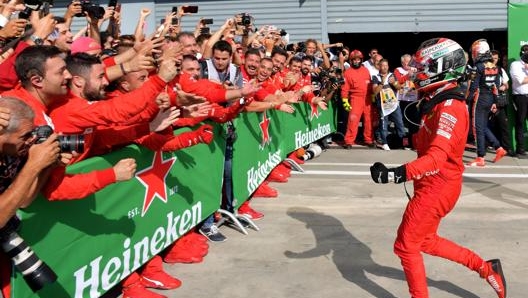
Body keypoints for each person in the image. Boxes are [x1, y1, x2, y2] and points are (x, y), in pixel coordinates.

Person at [369, 38, 506, 298]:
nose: (418, 71)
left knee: (406, 245)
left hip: (438, 185)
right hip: (432, 183)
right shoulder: (436, 97)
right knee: (426, 241)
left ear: (441, 68)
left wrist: (394, 174)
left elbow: (435, 159)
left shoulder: (450, 107)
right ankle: (485, 268)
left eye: (424, 67)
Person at [0, 97, 66, 298]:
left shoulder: (12, 151)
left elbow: (23, 200)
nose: (30, 141)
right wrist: (33, 165)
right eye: (25, 135)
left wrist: (47, 165)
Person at [466, 39, 506, 166]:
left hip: (479, 98)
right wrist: (495, 101)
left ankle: (480, 157)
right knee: (482, 127)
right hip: (489, 98)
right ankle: (498, 148)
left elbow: (473, 87)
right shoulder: (494, 67)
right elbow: (496, 85)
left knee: (477, 128)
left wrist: (466, 100)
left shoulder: (477, 67)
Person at [340, 49, 374, 148]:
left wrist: (372, 96)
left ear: (361, 60)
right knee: (353, 120)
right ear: (351, 60)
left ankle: (368, 140)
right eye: (354, 59)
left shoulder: (365, 70)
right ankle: (349, 141)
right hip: (356, 99)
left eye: (358, 59)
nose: (356, 61)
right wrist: (345, 100)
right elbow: (344, 88)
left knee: (368, 121)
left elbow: (371, 84)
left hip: (367, 99)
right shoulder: (348, 73)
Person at [371, 58, 404, 150]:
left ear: (388, 66)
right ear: (379, 66)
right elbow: (374, 92)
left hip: (394, 105)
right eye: (382, 65)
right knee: (383, 124)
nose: (385, 67)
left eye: (386, 65)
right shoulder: (375, 77)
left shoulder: (392, 75)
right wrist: (381, 83)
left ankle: (402, 142)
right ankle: (384, 143)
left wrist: (394, 83)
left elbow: (398, 87)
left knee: (400, 123)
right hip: (382, 106)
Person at [509, 44, 528, 158]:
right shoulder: (515, 64)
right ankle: (520, 150)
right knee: (520, 123)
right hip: (521, 97)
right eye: (525, 51)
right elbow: (520, 80)